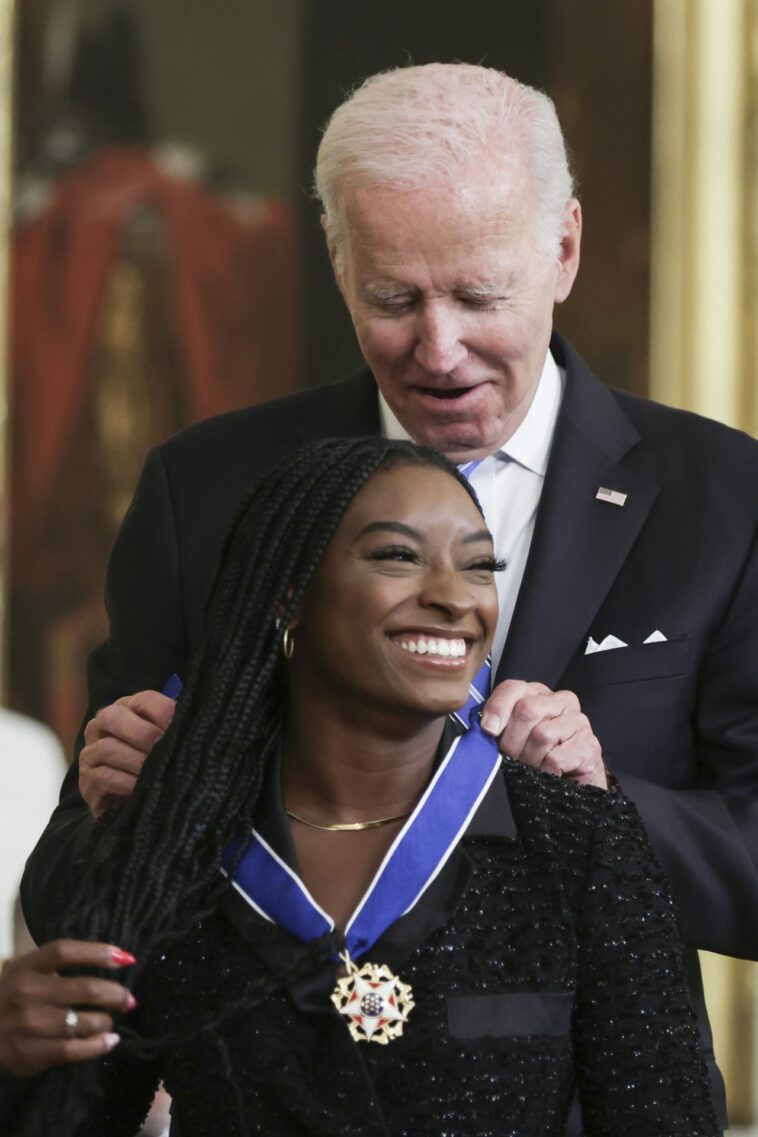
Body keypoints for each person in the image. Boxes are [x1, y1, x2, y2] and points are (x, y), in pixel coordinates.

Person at [20, 62, 758, 1130]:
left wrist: (605, 807)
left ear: (562, 250)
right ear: (335, 261)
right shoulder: (208, 491)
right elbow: (71, 900)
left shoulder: (724, 501)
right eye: (393, 297)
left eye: (476, 295)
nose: (438, 347)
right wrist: (114, 808)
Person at [1, 438, 719, 1136]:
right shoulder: (168, 845)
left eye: (479, 565)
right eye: (399, 555)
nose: (452, 598)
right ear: (289, 597)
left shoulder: (580, 840)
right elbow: (72, 1115)